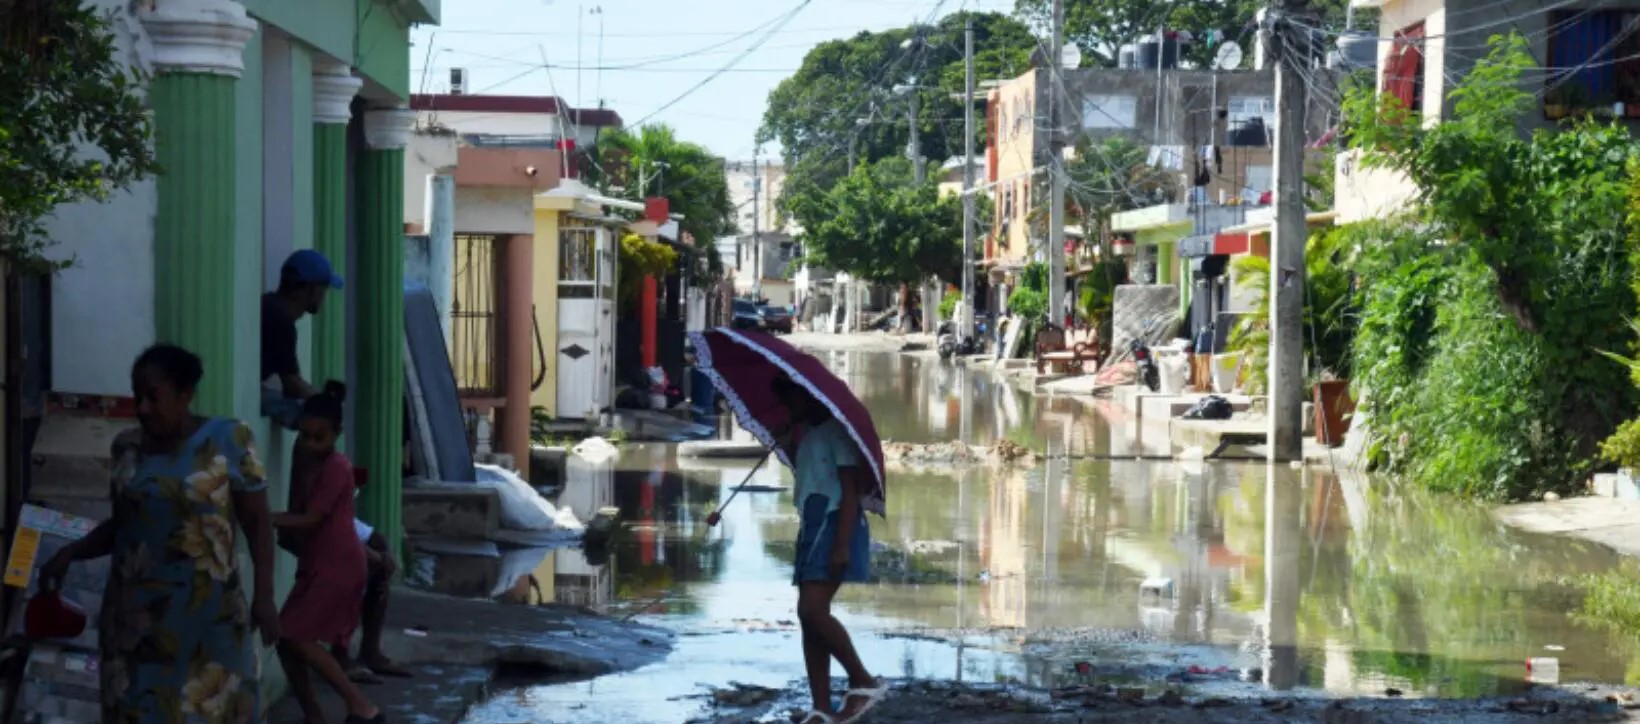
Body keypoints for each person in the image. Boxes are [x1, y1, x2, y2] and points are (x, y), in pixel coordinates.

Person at [41, 344, 279, 723]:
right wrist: (71, 552)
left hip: (209, 624)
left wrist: (264, 596)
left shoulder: (229, 439)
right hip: (135, 628)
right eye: (138, 396)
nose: (143, 408)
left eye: (154, 397)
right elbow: (124, 525)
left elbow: (258, 524)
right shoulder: (128, 449)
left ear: (185, 394)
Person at [770, 375, 886, 724]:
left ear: (811, 398)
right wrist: (787, 443)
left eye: (793, 401)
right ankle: (820, 706)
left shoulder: (838, 433)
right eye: (785, 402)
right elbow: (807, 476)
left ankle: (862, 679)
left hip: (836, 526)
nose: (789, 408)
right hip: (813, 526)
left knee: (813, 610)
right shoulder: (808, 436)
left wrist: (840, 546)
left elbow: (850, 493)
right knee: (809, 619)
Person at [272, 382, 385, 724]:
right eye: (305, 436)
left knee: (298, 637)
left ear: (336, 434)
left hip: (337, 565)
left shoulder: (337, 466)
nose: (309, 444)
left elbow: (311, 519)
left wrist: (263, 517)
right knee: (284, 638)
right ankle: (313, 713)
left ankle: (360, 704)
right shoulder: (306, 458)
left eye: (318, 437)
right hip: (318, 562)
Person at [263, 248, 344, 429]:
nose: (324, 296)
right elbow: (292, 385)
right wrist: (326, 404)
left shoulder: (271, 307)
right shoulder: (281, 321)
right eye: (324, 289)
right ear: (312, 289)